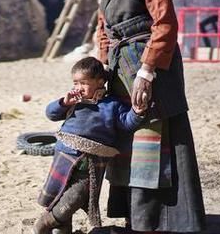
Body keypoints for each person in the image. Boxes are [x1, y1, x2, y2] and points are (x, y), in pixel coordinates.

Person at [96, 0, 206, 233]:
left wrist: (146, 70)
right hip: (119, 70)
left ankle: (157, 222)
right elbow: (104, 25)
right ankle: (135, 218)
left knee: (153, 142)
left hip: (150, 69)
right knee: (128, 142)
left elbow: (166, 24)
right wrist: (103, 65)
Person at [34, 56, 145, 234]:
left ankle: (47, 221)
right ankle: (62, 229)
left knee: (78, 194)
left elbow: (126, 123)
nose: (78, 87)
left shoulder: (112, 104)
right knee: (61, 194)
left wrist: (137, 112)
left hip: (93, 160)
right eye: (75, 83)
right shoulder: (74, 102)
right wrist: (64, 102)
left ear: (100, 82)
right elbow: (51, 114)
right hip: (65, 155)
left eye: (83, 83)